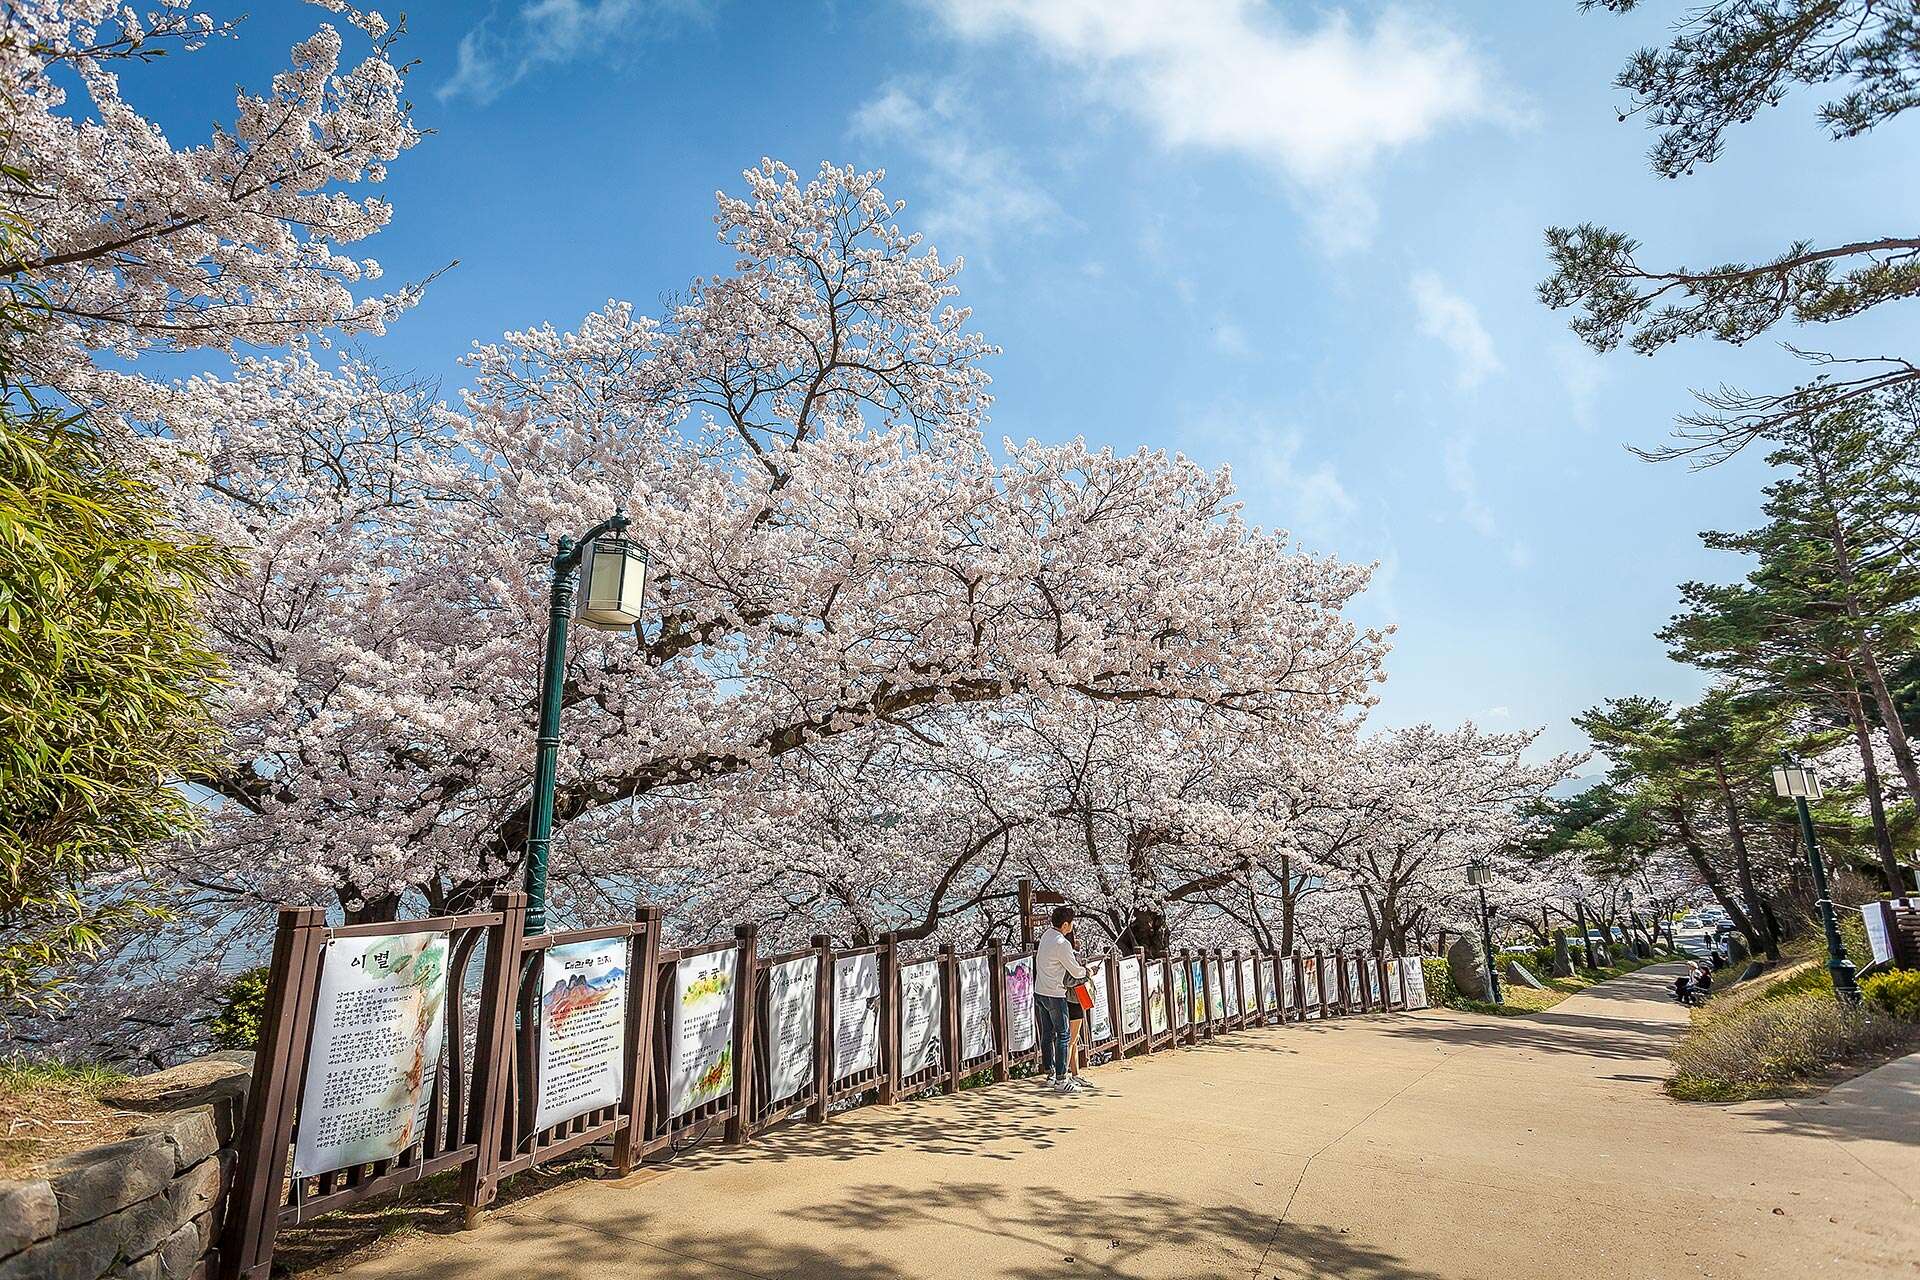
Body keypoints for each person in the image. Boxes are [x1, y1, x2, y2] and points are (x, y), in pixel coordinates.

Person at [1033, 904, 1089, 1093]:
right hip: (1055, 994)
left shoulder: (1046, 936)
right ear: (1065, 925)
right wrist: (1088, 971)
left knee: (1047, 1034)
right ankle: (1061, 1079)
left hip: (1040, 991)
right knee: (1063, 1035)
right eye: (1071, 923)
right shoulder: (1062, 943)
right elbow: (1075, 970)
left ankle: (1049, 1074)